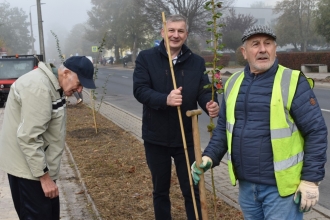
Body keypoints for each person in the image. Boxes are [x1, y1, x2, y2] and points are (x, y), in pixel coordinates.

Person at [191, 25, 328, 220]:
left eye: (268, 43)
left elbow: (316, 131)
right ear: (244, 53)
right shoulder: (233, 82)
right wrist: (209, 157)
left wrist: (310, 180)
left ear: (275, 48)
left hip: (282, 192)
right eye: (255, 44)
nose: (262, 49)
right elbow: (224, 129)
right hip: (247, 188)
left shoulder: (293, 81)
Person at [133, 14, 219, 220]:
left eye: (180, 31)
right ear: (163, 32)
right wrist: (165, 99)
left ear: (186, 34)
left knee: (192, 189)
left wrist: (210, 104)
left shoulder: (196, 62)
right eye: (171, 30)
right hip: (156, 138)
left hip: (187, 139)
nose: (175, 35)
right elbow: (140, 90)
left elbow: (203, 90)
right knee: (160, 191)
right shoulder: (146, 58)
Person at [0, 56, 96, 219]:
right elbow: (29, 138)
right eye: (79, 84)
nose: (79, 90)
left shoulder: (53, 85)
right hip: (29, 172)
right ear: (66, 73)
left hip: (37, 168)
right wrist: (44, 178)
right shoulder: (39, 88)